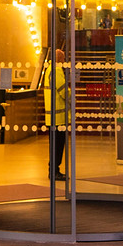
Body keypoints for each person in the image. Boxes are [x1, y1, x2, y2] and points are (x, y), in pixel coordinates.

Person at [45, 46, 72, 182]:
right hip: (59, 116)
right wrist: (72, 98)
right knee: (58, 145)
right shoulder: (56, 70)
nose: (64, 61)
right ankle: (55, 171)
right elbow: (63, 90)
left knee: (54, 145)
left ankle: (53, 169)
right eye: (62, 58)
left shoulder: (48, 70)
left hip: (52, 116)